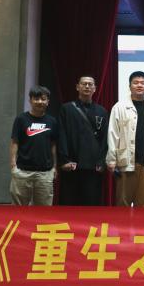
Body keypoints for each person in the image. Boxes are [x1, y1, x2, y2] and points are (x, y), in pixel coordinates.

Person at [107, 71, 144, 207]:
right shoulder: (119, 107)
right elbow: (113, 134)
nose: (139, 85)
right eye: (135, 83)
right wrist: (112, 160)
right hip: (126, 162)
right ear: (129, 86)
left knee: (143, 203)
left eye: (143, 83)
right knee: (122, 202)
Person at [57, 75, 109, 206]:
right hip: (71, 166)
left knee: (92, 206)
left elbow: (105, 139)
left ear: (95, 88)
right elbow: (61, 136)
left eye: (90, 84)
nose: (87, 86)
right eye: (84, 84)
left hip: (94, 168)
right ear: (77, 87)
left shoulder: (102, 111)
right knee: (69, 205)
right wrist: (64, 160)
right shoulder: (67, 109)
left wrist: (101, 162)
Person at [9, 85, 59, 206]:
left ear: (48, 101)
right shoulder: (21, 119)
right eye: (36, 99)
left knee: (43, 212)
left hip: (45, 174)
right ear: (30, 100)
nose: (40, 102)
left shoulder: (52, 121)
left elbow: (53, 145)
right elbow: (15, 142)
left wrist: (54, 167)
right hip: (22, 172)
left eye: (43, 99)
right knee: (18, 210)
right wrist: (13, 165)